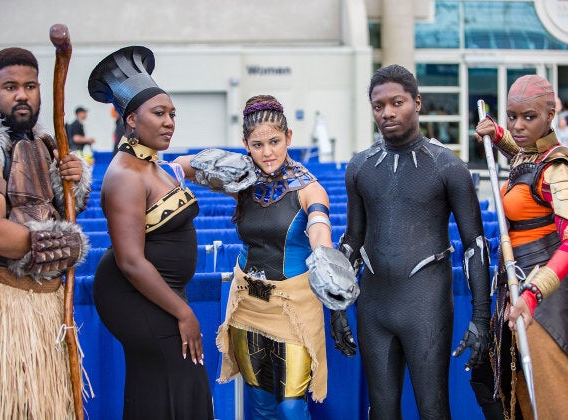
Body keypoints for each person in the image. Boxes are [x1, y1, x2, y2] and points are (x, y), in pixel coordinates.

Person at [88, 45, 259, 419]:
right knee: (179, 380)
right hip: (134, 295)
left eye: (172, 114)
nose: (169, 122)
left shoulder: (156, 166)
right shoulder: (124, 175)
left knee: (167, 386)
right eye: (159, 113)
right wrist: (184, 312)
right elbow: (130, 261)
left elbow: (188, 174)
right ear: (131, 119)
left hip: (159, 294)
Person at [174, 94, 357, 419]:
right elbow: (179, 167)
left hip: (294, 309)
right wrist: (174, 165)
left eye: (274, 141)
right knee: (259, 405)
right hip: (248, 304)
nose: (267, 152)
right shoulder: (241, 179)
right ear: (245, 143)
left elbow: (318, 225)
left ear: (289, 137)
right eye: (257, 145)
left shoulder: (308, 187)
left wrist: (324, 255)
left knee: (290, 407)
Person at [337, 64, 492, 419]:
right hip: (375, 307)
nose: (387, 112)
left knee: (433, 409)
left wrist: (481, 317)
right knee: (383, 410)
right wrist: (337, 306)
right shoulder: (359, 167)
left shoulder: (448, 167)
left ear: (417, 103)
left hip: (426, 305)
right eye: (379, 106)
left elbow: (475, 244)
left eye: (397, 102)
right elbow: (353, 239)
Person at [0, 47, 91, 418]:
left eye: (30, 86)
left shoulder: (45, 145)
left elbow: (62, 207)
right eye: (10, 86)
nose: (22, 95)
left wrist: (72, 181)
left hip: (48, 310)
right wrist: (61, 243)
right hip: (4, 306)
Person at [474, 74, 568, 419]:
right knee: (520, 397)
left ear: (550, 114)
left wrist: (532, 294)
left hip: (547, 298)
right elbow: (522, 158)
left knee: (554, 397)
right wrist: (498, 135)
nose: (517, 125)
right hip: (517, 289)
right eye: (512, 116)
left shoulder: (557, 170)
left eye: (529, 117)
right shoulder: (531, 157)